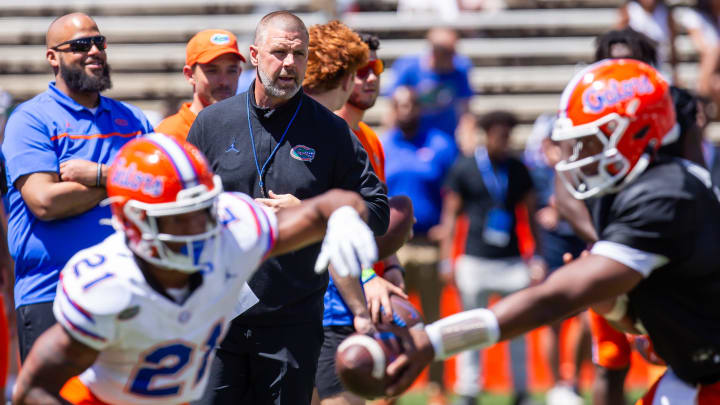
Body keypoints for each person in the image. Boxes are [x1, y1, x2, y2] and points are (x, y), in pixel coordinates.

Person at [381, 59, 720, 405]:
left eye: (593, 140)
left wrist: (434, 341)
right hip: (693, 373)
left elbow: (552, 299)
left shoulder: (665, 194)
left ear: (636, 133)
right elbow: (664, 306)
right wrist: (617, 307)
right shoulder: (642, 187)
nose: (579, 156)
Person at [11, 133, 378, 405]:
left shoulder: (231, 233)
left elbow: (326, 207)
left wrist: (344, 214)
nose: (200, 227)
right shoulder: (108, 284)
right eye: (179, 219)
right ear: (135, 221)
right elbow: (33, 390)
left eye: (203, 210)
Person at [187, 11, 389, 405]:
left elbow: (378, 212)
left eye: (298, 55)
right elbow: (177, 207)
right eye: (279, 53)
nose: (288, 64)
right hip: (216, 321)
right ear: (255, 54)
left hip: (291, 326)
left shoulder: (331, 131)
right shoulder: (212, 123)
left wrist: (312, 213)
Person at [1, 12, 153, 363]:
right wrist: (126, 181)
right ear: (52, 57)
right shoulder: (30, 119)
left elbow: (161, 189)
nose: (94, 51)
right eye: (81, 45)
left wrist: (99, 174)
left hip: (129, 292)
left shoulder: (133, 119)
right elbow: (45, 202)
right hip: (52, 293)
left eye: (99, 42)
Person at [305, 26, 409, 405]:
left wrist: (391, 267)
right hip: (322, 300)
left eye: (375, 68)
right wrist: (368, 277)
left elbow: (374, 215)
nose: (368, 78)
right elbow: (327, 224)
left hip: (358, 301)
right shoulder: (315, 135)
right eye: (359, 70)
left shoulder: (369, 138)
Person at [436, 111, 541, 405]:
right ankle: (468, 389)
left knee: (519, 328)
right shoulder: (466, 167)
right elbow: (451, 216)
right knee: (470, 329)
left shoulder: (518, 169)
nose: (504, 141)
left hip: (512, 260)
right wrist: (447, 259)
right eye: (499, 134)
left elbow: (531, 215)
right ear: (487, 135)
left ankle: (522, 390)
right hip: (475, 259)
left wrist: (538, 257)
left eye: (508, 135)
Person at [381, 86, 457, 397]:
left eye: (411, 104)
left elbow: (453, 196)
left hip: (428, 243)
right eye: (400, 105)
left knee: (433, 322)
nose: (406, 110)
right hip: (393, 248)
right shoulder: (383, 145)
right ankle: (392, 388)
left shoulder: (440, 145)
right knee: (392, 319)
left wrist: (448, 236)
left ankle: (437, 388)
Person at [523, 114, 589, 405]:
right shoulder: (537, 173)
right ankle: (555, 385)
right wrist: (535, 255)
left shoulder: (581, 170)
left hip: (580, 245)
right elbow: (532, 214)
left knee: (588, 317)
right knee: (553, 318)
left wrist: (561, 211)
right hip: (550, 249)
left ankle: (572, 380)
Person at [155, 29, 244, 140]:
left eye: (231, 71)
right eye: (212, 71)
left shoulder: (248, 128)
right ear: (190, 75)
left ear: (240, 72)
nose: (224, 81)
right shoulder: (169, 135)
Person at [388, 27, 473, 137]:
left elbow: (465, 111)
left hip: (445, 138)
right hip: (411, 137)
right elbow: (393, 109)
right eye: (448, 53)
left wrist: (468, 138)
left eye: (454, 51)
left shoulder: (460, 70)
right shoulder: (408, 68)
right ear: (434, 52)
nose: (453, 57)